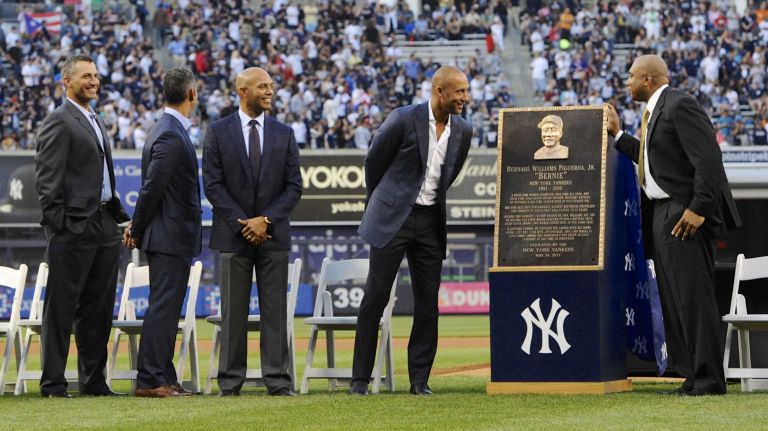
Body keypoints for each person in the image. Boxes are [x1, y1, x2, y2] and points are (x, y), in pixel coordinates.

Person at [606, 55, 741, 396]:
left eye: (631, 77)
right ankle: (694, 375)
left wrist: (698, 208)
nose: (627, 82)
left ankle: (710, 380)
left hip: (683, 213)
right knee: (676, 300)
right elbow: (654, 164)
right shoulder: (652, 114)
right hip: (662, 213)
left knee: (694, 299)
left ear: (649, 79)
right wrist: (619, 134)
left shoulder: (680, 104)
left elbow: (708, 159)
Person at [350, 66, 472, 396]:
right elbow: (374, 163)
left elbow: (450, 173)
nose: (465, 98)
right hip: (393, 218)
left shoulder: (464, 130)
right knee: (375, 297)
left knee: (428, 303)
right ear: (439, 91)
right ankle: (359, 380)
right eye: (459, 92)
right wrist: (382, 202)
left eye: (466, 91)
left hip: (431, 222)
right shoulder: (403, 118)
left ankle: (419, 381)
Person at [202, 67, 302, 397]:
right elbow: (213, 187)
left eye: (271, 86)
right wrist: (245, 224)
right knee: (234, 314)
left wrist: (265, 220)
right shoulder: (217, 132)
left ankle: (277, 381)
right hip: (234, 236)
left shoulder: (285, 133)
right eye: (262, 87)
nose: (270, 91)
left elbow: (294, 187)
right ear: (242, 92)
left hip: (273, 236)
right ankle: (230, 383)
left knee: (275, 312)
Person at [35, 55, 130, 398]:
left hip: (105, 225)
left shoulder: (94, 119)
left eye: (95, 75)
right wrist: (62, 227)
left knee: (99, 308)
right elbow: (47, 183)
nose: (94, 81)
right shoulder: (59, 120)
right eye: (86, 76)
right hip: (73, 228)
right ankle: (53, 384)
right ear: (67, 82)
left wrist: (117, 218)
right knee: (61, 308)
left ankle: (93, 382)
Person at [125, 67, 202, 398]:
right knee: (163, 307)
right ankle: (150, 379)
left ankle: (164, 376)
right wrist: (136, 228)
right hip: (169, 236)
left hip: (170, 236)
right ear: (192, 95)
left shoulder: (167, 128)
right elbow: (152, 188)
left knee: (167, 308)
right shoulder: (171, 132)